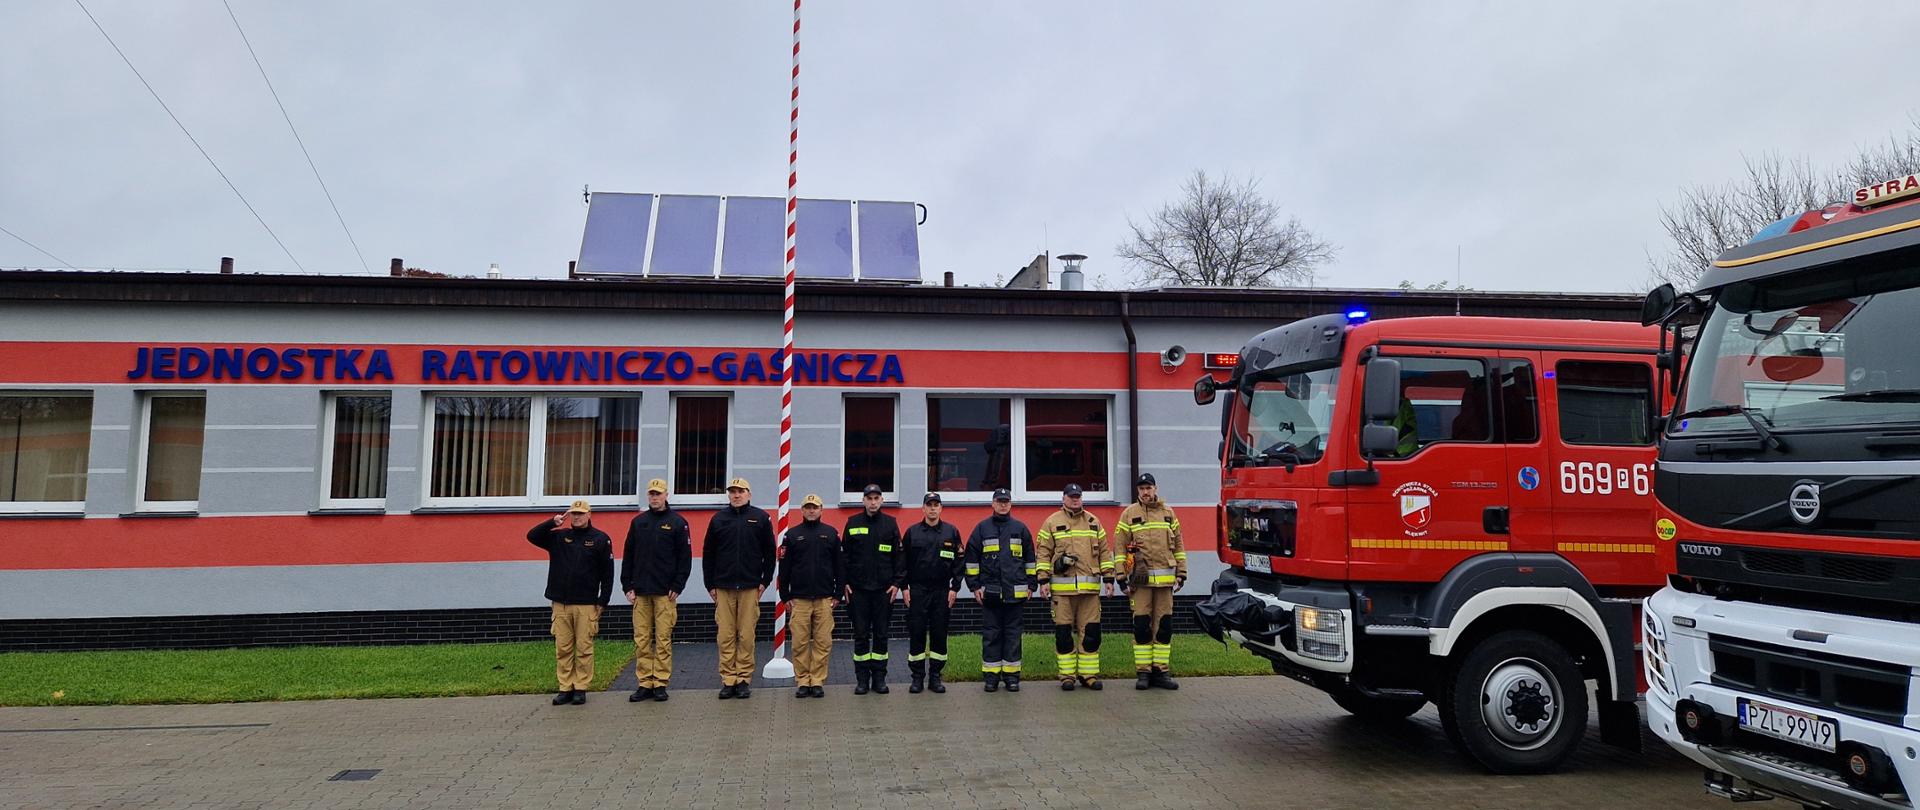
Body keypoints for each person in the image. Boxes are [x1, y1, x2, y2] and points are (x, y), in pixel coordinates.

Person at [525, 500, 614, 706]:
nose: (577, 517)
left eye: (581, 514)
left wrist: (603, 601)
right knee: (563, 648)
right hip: (560, 603)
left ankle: (580, 687)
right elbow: (532, 536)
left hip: (586, 604)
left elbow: (607, 574)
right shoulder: (558, 536)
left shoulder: (600, 539)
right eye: (573, 514)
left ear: (589, 515)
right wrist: (552, 522)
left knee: (584, 648)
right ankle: (565, 687)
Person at [703, 477, 775, 699]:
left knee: (745, 635)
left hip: (749, 586)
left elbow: (770, 553)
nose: (736, 495)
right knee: (725, 635)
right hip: (723, 587)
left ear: (749, 494)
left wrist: (765, 581)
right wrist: (710, 584)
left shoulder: (760, 518)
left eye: (741, 491)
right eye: (733, 491)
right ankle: (728, 680)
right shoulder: (718, 519)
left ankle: (743, 679)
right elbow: (709, 554)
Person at [620, 478, 691, 703]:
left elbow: (684, 558)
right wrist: (627, 586)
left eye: (658, 494)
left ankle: (660, 683)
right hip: (640, 592)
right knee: (642, 639)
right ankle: (644, 683)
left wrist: (678, 585)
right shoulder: (638, 522)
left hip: (665, 593)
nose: (654, 497)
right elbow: (628, 555)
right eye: (651, 494)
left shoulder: (678, 523)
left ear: (666, 495)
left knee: (663, 639)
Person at [1037, 483, 1112, 691]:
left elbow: (1105, 553)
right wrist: (1043, 580)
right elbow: (1042, 553)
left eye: (1077, 496)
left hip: (1089, 591)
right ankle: (1067, 676)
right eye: (1071, 497)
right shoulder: (1052, 522)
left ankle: (1088, 675)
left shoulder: (1093, 522)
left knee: (1091, 634)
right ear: (1063, 499)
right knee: (1063, 635)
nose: (1075, 499)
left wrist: (1109, 579)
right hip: (1062, 592)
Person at [1115, 473, 1185, 691]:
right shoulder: (1129, 514)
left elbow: (1179, 545)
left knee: (1163, 627)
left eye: (1149, 488)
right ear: (1138, 491)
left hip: (1165, 584)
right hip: (1140, 584)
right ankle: (1143, 672)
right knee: (1142, 627)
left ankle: (1161, 671)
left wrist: (1182, 572)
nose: (1145, 492)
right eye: (1142, 488)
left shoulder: (1168, 513)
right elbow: (1119, 548)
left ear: (1156, 488)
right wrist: (1120, 577)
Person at [964, 487, 1036, 693]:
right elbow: (971, 561)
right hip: (990, 594)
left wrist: (1032, 585)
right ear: (992, 504)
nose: (1003, 504)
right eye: (999, 501)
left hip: (1015, 594)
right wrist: (974, 586)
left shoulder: (1020, 529)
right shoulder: (981, 529)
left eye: (1006, 501)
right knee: (992, 636)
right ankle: (991, 677)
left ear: (1011, 504)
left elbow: (1030, 560)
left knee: (1013, 637)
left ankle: (1012, 677)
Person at [778, 494, 844, 698]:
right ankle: (803, 681)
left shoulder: (831, 534)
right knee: (799, 642)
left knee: (823, 642)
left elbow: (840, 567)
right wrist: (785, 595)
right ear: (802, 510)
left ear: (821, 509)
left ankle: (817, 680)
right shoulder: (792, 535)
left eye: (815, 507)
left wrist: (838, 593)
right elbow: (785, 568)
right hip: (800, 599)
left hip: (824, 598)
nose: (811, 510)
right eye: (807, 507)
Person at [841, 483, 904, 695]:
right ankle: (861, 680)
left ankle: (879, 679)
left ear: (882, 501)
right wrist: (845, 583)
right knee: (860, 635)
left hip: (883, 591)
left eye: (877, 498)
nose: (873, 502)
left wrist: (896, 583)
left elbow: (899, 557)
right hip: (858, 591)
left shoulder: (890, 524)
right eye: (869, 498)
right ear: (863, 501)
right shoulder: (852, 523)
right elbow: (844, 557)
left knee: (881, 635)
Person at [901, 492, 963, 694]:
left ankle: (936, 676)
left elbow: (959, 564)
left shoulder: (951, 532)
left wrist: (955, 588)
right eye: (929, 505)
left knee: (939, 634)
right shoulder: (912, 533)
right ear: (923, 508)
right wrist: (904, 589)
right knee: (917, 633)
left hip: (941, 591)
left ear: (941, 508)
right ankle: (917, 677)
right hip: (918, 591)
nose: (933, 508)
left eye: (936, 505)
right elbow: (902, 564)